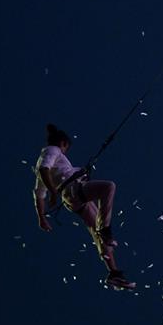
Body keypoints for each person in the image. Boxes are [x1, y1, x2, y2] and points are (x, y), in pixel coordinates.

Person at [34, 124, 135, 289]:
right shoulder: (52, 151)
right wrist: (53, 192)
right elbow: (45, 171)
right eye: (66, 148)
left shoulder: (42, 164)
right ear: (63, 143)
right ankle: (105, 230)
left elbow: (38, 195)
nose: (65, 152)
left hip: (73, 198)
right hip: (73, 190)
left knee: (97, 233)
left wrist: (41, 217)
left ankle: (114, 273)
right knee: (108, 187)